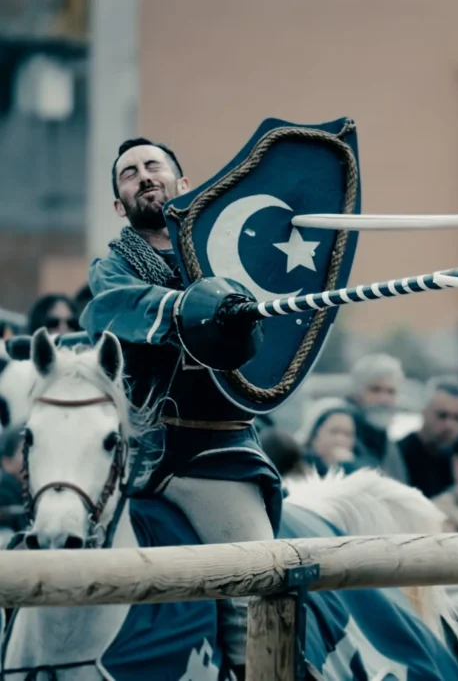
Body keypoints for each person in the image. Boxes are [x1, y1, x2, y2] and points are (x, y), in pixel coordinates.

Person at [79, 137, 277, 675]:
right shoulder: (111, 270)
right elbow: (114, 309)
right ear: (119, 204)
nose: (143, 176)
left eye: (153, 166)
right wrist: (196, 308)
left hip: (213, 455)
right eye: (129, 173)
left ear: (182, 184)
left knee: (255, 586)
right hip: (134, 460)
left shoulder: (234, 257)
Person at [398, 375, 458, 498]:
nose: (449, 425)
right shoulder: (399, 455)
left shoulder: (452, 457)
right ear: (424, 411)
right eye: (442, 415)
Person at [346, 353, 409, 482]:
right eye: (375, 390)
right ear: (356, 393)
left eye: (391, 392)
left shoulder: (384, 437)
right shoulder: (342, 432)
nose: (383, 399)